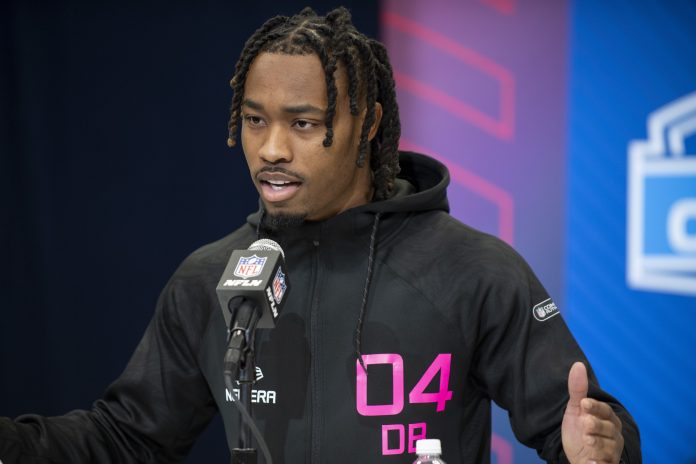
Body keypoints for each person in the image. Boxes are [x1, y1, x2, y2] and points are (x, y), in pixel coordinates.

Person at [0, 6, 640, 464]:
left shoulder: (475, 270)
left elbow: (581, 429)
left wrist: (603, 448)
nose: (270, 149)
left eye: (304, 124)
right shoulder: (212, 276)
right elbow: (129, 439)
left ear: (368, 125)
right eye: (254, 120)